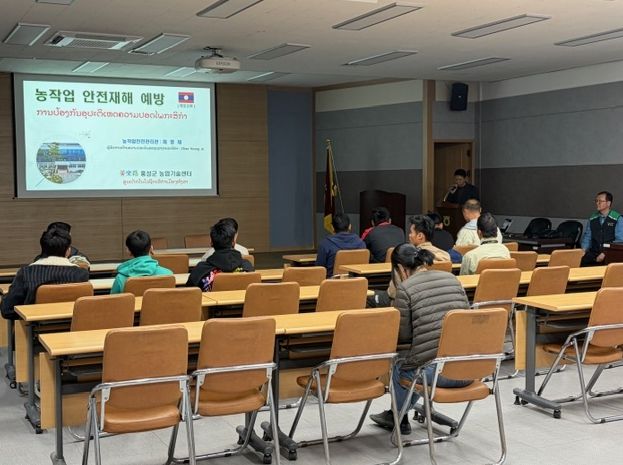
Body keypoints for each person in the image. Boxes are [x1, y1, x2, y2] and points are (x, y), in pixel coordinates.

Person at [369, 244, 471, 435]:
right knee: (421, 360)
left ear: (400, 269)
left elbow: (404, 336)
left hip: (440, 375)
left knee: (401, 365)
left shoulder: (405, 289)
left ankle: (398, 417)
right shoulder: (452, 279)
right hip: (471, 369)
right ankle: (398, 414)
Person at [1, 227, 89, 320]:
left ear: (43, 248)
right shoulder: (81, 274)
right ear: (68, 251)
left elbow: (7, 310)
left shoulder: (26, 273)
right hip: (72, 326)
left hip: (35, 325)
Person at [187, 221, 254, 291]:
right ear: (233, 242)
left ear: (211, 243)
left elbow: (189, 293)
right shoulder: (247, 266)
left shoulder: (200, 270)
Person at [316, 213, 366, 277]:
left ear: (332, 227)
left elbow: (319, 269)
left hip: (332, 282)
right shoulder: (361, 243)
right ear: (350, 226)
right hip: (358, 282)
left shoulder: (325, 244)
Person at [580, 191, 623, 266]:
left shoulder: (617, 218)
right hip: (593, 253)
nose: (597, 203)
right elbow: (587, 237)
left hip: (609, 254)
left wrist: (605, 253)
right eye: (596, 201)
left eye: (600, 201)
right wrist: (583, 250)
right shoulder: (592, 218)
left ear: (608, 203)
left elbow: (619, 240)